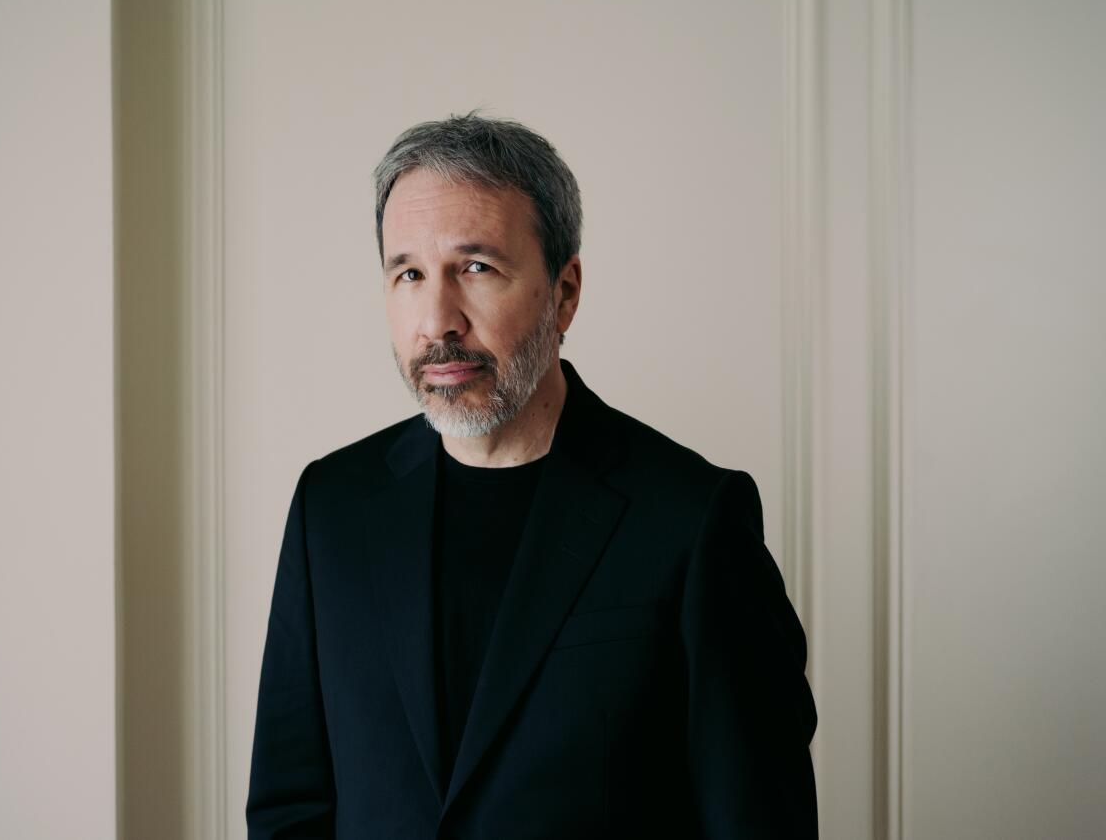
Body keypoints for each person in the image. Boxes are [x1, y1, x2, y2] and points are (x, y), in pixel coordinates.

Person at [246, 112, 818, 839]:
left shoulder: (693, 520)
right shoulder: (330, 507)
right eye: (409, 273)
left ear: (565, 291)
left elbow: (758, 821)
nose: (437, 319)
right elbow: (289, 808)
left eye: (476, 268)